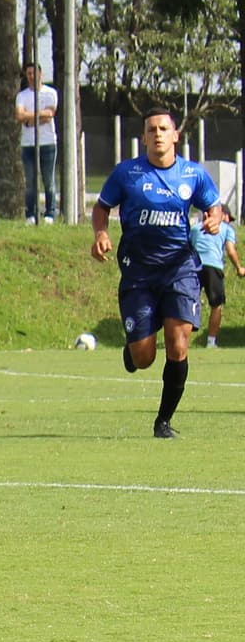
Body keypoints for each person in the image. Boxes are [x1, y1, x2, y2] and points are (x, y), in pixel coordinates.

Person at [94, 108, 225, 437]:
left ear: (175, 135)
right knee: (144, 357)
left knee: (178, 344)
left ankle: (163, 421)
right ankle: (134, 347)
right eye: (151, 129)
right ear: (143, 137)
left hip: (179, 268)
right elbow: (102, 207)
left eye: (164, 128)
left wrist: (214, 218)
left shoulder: (192, 175)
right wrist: (100, 233)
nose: (158, 134)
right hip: (138, 271)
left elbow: (214, 205)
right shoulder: (127, 174)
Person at [15, 62, 59, 225]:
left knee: (48, 180)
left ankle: (50, 213)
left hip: (47, 143)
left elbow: (49, 115)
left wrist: (30, 118)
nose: (32, 76)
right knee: (31, 182)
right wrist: (37, 117)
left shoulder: (50, 93)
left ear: (40, 74)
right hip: (28, 144)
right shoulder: (22, 96)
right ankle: (31, 214)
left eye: (34, 73)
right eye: (29, 73)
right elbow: (19, 116)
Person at [197, 205, 241, 348]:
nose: (229, 221)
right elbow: (230, 250)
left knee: (187, 303)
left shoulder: (195, 228)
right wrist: (239, 268)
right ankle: (211, 342)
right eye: (228, 218)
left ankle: (179, 339)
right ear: (221, 215)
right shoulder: (226, 229)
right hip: (213, 265)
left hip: (193, 266)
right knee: (216, 306)